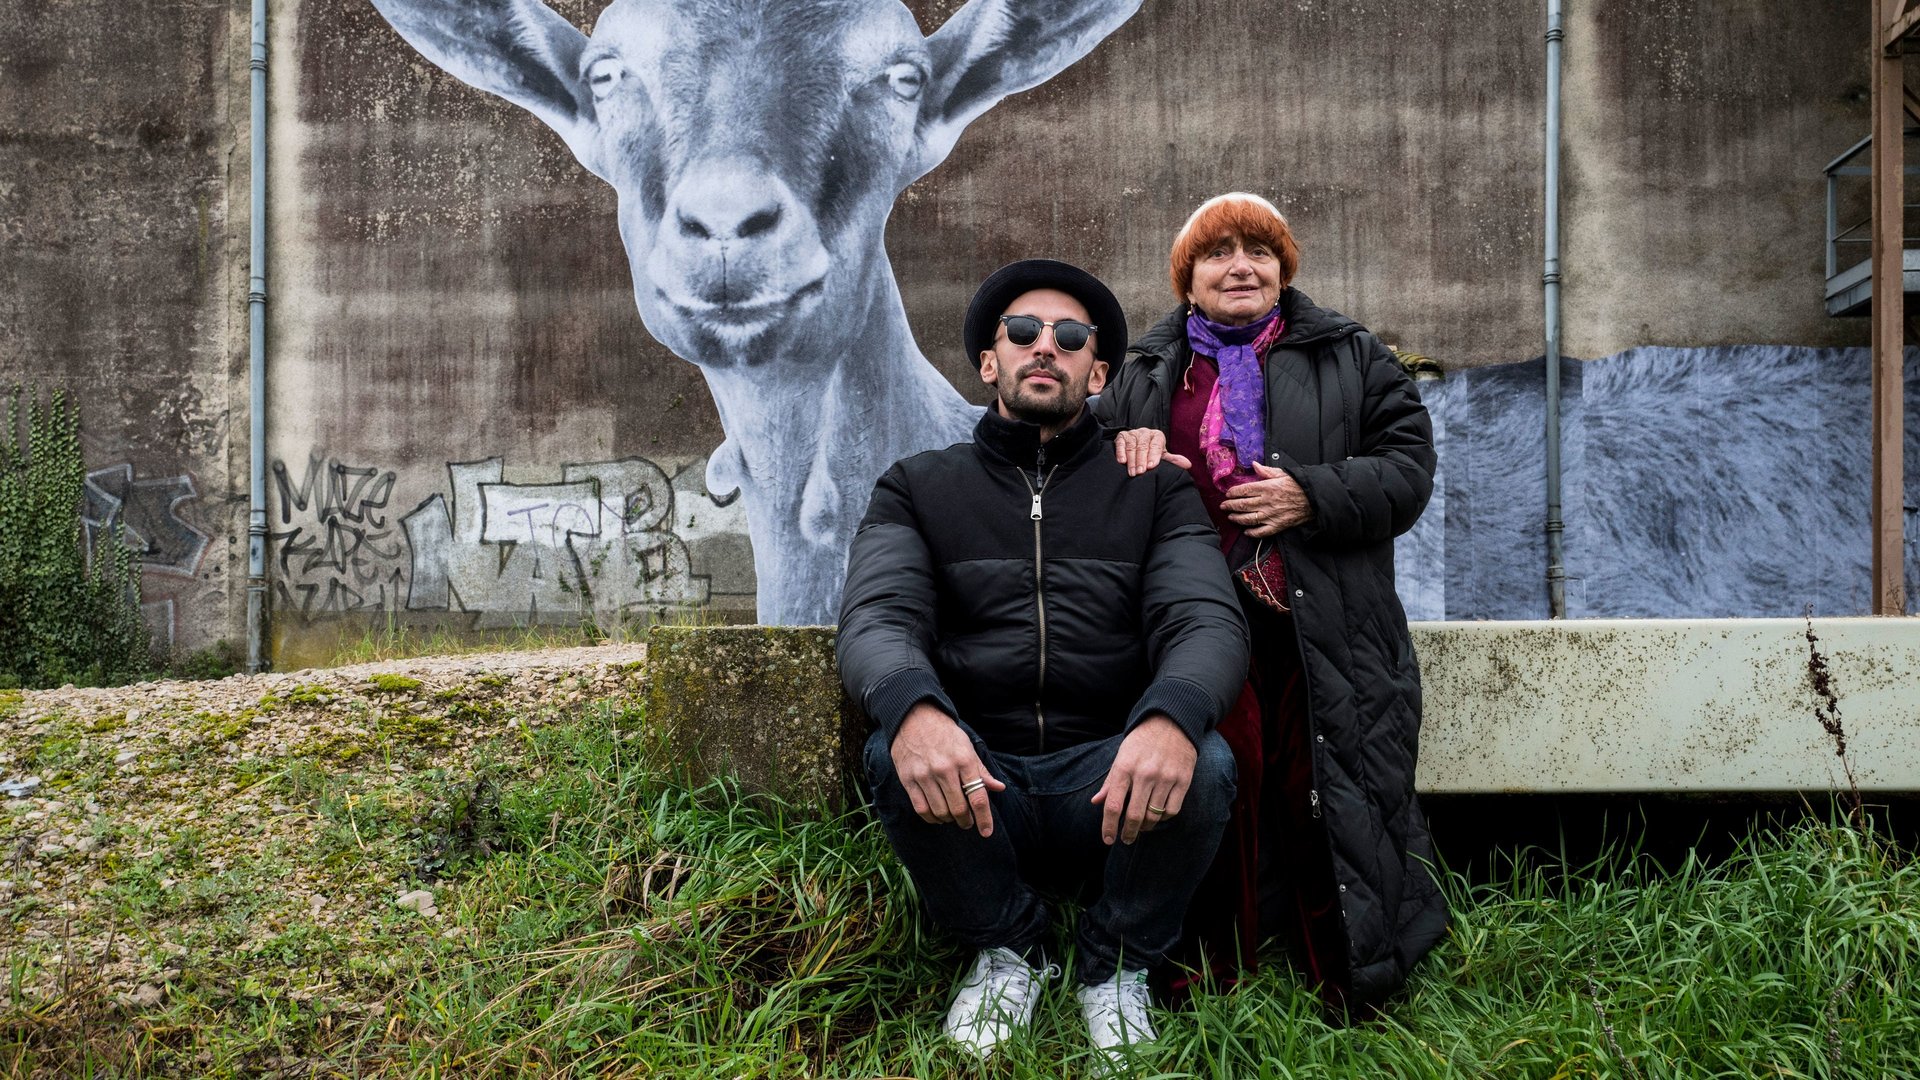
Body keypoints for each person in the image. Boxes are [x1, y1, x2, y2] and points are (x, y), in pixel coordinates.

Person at [837, 259, 1249, 1062]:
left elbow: (1204, 617)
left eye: (1069, 337)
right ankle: (1011, 950)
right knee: (893, 750)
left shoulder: (1156, 490)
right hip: (977, 776)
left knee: (1205, 762)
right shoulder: (918, 487)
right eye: (1022, 333)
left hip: (1109, 777)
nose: (1043, 348)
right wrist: (914, 707)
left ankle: (1115, 964)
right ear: (990, 363)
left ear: (1097, 372)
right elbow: (878, 613)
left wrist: (1170, 718)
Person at [1094, 192, 1447, 1017]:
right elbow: (1084, 482)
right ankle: (1211, 972)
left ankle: (1352, 973)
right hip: (1192, 627)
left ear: (1285, 269)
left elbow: (1409, 469)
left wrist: (1311, 494)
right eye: (1218, 253)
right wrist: (1122, 451)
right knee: (1221, 784)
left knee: (1328, 784)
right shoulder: (1144, 371)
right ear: (1189, 280)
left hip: (1325, 620)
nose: (1241, 265)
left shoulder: (1350, 353)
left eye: (1260, 250)